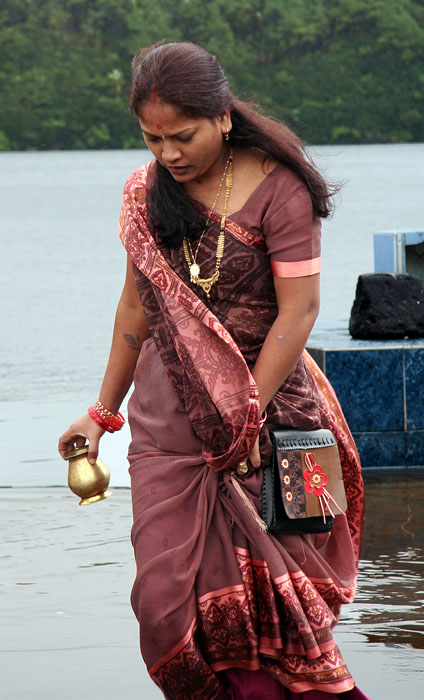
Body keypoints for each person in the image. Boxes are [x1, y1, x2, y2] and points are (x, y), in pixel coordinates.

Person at [59, 42, 369, 700]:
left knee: (283, 611)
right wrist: (103, 412)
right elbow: (135, 307)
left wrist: (243, 414)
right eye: (153, 138)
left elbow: (300, 311)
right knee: (166, 605)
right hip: (168, 429)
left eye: (183, 135)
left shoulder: (281, 187)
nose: (168, 153)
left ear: (223, 117)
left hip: (276, 420)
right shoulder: (145, 194)